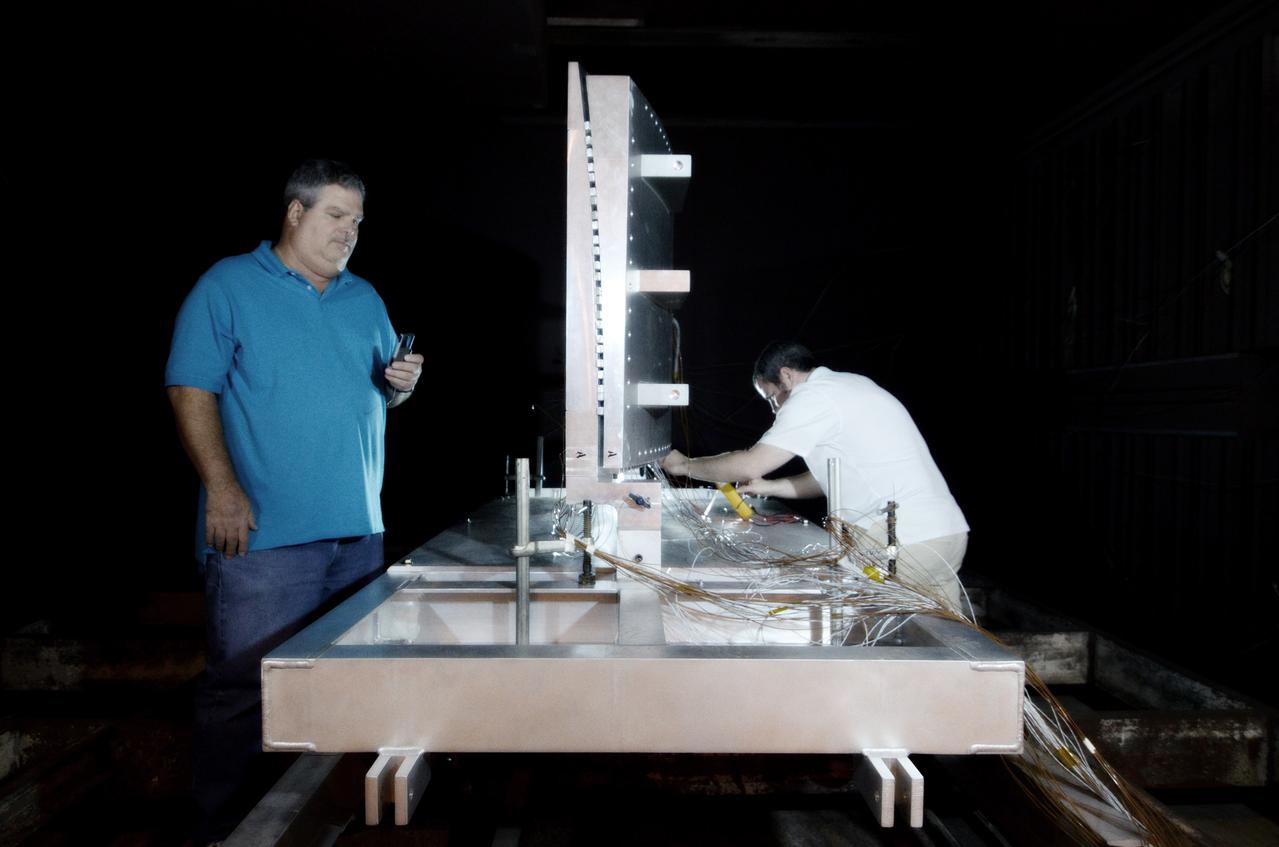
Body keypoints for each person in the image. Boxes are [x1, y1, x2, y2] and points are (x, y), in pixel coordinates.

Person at [165, 159, 423, 842]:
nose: (348, 232)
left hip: (357, 535)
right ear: (294, 213)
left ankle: (317, 821)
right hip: (264, 536)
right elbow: (190, 388)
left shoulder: (363, 297)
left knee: (341, 687)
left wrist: (401, 383)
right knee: (245, 691)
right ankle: (220, 829)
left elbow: (381, 393)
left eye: (358, 222)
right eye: (336, 215)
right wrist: (222, 487)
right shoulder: (228, 285)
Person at [661, 341, 968, 606]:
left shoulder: (812, 397)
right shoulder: (853, 385)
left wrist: (684, 465)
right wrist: (769, 487)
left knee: (878, 638)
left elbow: (749, 463)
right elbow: (829, 477)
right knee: (950, 646)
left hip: (903, 541)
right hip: (943, 534)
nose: (774, 410)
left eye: (771, 398)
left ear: (786, 376)